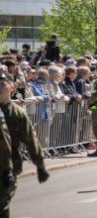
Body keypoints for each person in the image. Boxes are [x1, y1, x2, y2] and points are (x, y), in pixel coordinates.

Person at [0, 73, 49, 218]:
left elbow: (30, 140)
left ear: (12, 86)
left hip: (8, 168)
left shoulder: (17, 113)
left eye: (4, 84)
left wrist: (40, 166)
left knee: (2, 204)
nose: (0, 87)